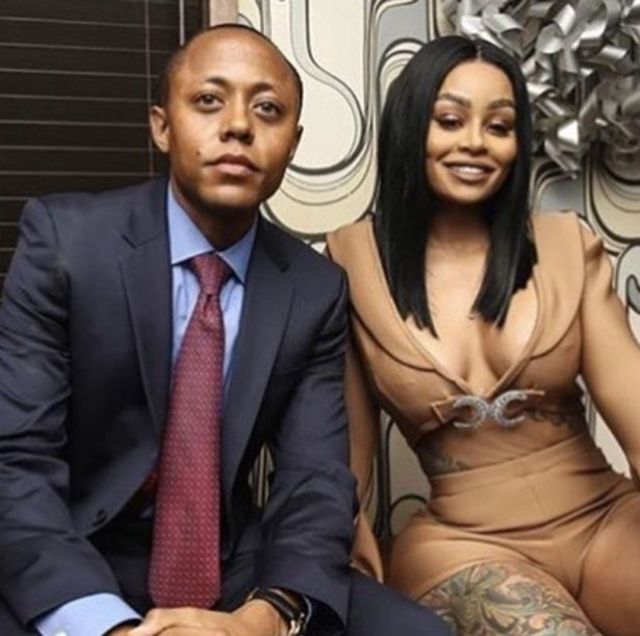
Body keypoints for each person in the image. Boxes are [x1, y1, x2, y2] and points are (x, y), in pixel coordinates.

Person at [0, 24, 449, 636]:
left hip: (233, 562)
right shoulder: (67, 243)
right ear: (162, 126)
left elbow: (315, 481)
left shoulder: (313, 288)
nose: (238, 125)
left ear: (293, 142)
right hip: (73, 548)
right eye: (209, 100)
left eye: (267, 109)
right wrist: (108, 627)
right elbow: (16, 460)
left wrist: (261, 620)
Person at [326, 35, 640, 636]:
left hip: (605, 520)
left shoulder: (565, 245)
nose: (475, 142)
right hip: (462, 543)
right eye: (449, 121)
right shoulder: (352, 262)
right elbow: (346, 463)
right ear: (410, 127)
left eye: (499, 126)